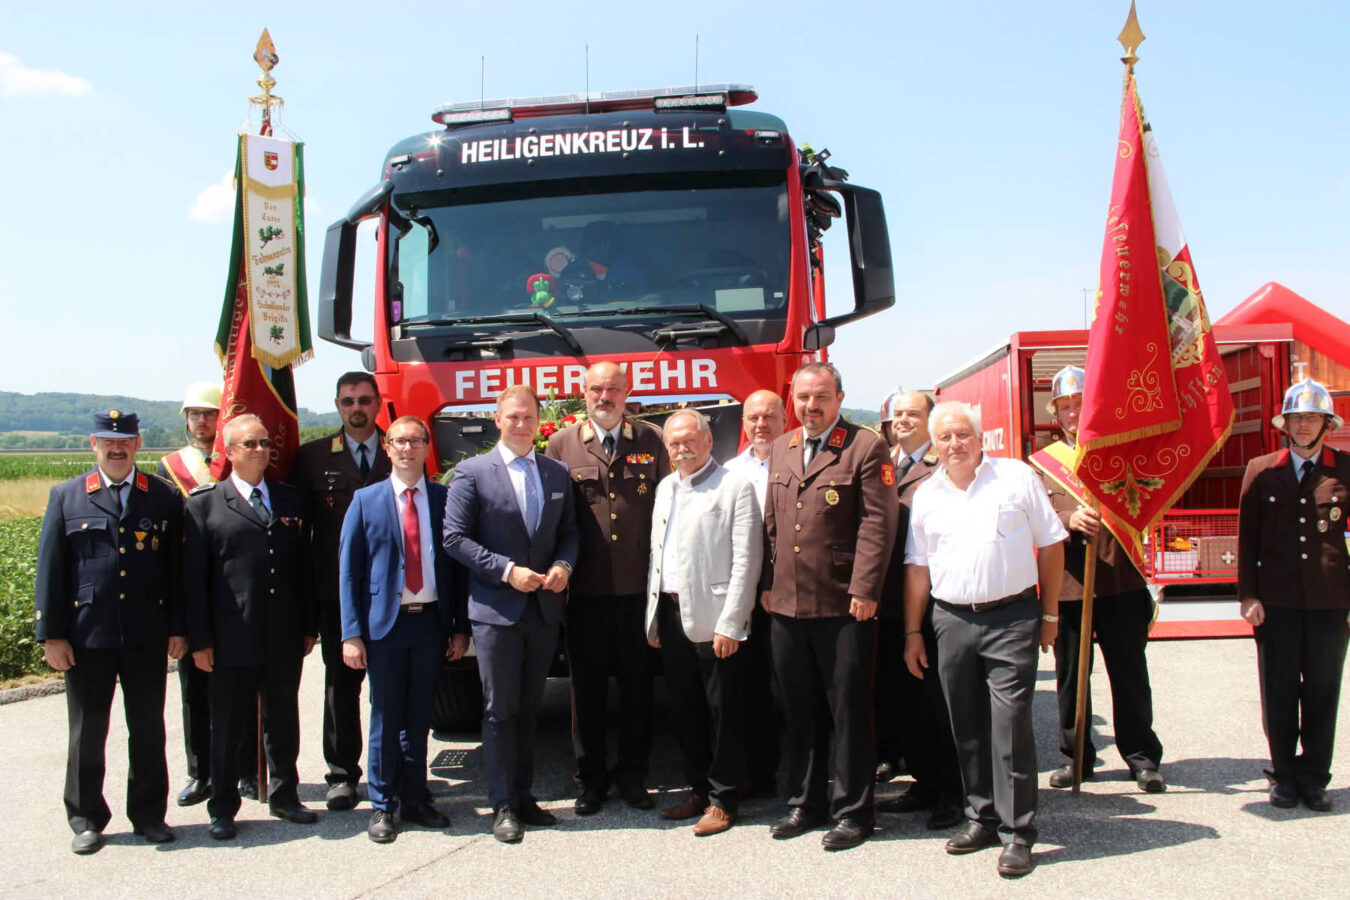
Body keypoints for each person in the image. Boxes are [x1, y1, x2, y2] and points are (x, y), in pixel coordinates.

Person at [904, 401, 1065, 878]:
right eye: (946, 438)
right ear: (935, 447)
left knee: (1011, 726)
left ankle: (1019, 834)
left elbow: (1052, 543)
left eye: (963, 435)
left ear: (980, 438)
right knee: (967, 726)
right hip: (951, 620)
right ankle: (982, 818)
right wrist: (913, 630)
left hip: (1011, 618)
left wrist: (1051, 614)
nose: (955, 444)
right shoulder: (927, 495)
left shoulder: (1016, 478)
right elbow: (917, 569)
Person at [762, 362, 898, 851]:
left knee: (848, 712)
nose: (810, 407)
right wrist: (766, 583)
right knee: (797, 710)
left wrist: (865, 589)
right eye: (802, 398)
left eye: (820, 397)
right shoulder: (783, 447)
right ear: (792, 400)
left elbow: (877, 525)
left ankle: (854, 811)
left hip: (844, 605)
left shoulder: (865, 446)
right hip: (787, 605)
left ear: (839, 398)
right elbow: (773, 525)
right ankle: (805, 802)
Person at [35, 410, 185, 855]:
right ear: (93, 444)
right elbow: (51, 570)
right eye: (107, 441)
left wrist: (178, 628)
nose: (116, 448)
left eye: (125, 441)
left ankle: (149, 816)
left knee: (147, 729)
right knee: (87, 731)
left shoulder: (161, 497)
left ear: (138, 444)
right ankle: (86, 818)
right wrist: (52, 635)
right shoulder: (67, 496)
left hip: (146, 634)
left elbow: (175, 572)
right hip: (86, 636)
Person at [444, 385, 579, 843]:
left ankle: (523, 798)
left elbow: (570, 533)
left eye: (528, 417)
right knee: (499, 711)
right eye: (512, 417)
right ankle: (502, 805)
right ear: (496, 420)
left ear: (539, 422)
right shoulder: (471, 472)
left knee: (528, 710)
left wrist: (563, 564)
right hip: (495, 611)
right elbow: (455, 539)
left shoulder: (556, 473)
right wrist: (506, 571)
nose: (521, 424)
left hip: (542, 611)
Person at [184, 414, 318, 840]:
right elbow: (195, 581)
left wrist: (308, 626)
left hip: (282, 634)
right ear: (229, 452)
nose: (260, 450)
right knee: (228, 725)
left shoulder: (290, 500)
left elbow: (303, 570)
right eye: (249, 444)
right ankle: (223, 805)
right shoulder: (205, 503)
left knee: (283, 719)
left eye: (264, 443)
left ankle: (284, 795)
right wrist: (200, 640)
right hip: (229, 639)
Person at [1032, 366, 1165, 793]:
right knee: (1072, 679)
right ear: (1056, 413)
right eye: (1065, 406)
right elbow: (1035, 516)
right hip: (1070, 586)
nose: (1073, 412)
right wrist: (1069, 517)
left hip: (1120, 582)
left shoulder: (1123, 452)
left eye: (1079, 403)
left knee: (1129, 676)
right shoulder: (1043, 465)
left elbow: (1147, 496)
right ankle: (1077, 758)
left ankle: (1142, 757)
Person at [339, 416, 470, 843]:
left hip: (430, 623)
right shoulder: (365, 501)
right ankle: (382, 804)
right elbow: (349, 573)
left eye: (415, 441)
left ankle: (415, 797)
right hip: (384, 628)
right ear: (387, 448)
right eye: (399, 441)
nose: (407, 449)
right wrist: (351, 633)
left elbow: (456, 569)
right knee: (385, 714)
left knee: (419, 716)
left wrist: (459, 627)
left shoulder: (443, 498)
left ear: (427, 446)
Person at [545, 361, 668, 814]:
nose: (604, 397)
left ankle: (633, 778)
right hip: (587, 592)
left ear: (627, 391)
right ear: (583, 391)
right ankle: (591, 780)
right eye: (596, 389)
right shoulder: (561, 444)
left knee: (638, 689)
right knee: (588, 690)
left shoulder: (652, 441)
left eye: (613, 389)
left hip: (639, 589)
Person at [645, 409, 762, 836]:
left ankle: (724, 799)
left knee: (723, 711)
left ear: (709, 442)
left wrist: (733, 623)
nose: (681, 449)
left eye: (689, 441)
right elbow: (658, 556)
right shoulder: (664, 487)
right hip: (674, 615)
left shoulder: (734, 486)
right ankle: (697, 789)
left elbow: (747, 560)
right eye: (674, 443)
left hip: (717, 618)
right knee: (685, 709)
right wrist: (654, 618)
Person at [1238, 378, 1350, 812]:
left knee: (1323, 691)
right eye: (1297, 418)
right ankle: (1283, 775)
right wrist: (1248, 596)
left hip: (1330, 601)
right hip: (1277, 601)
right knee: (1279, 692)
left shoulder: (1344, 469)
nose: (1304, 426)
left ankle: (1314, 777)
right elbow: (1248, 539)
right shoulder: (1262, 469)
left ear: (1327, 424)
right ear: (1285, 424)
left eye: (1312, 418)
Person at [291, 372, 391, 811]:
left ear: (378, 403)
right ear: (337, 404)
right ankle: (342, 775)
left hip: (394, 594)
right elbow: (301, 539)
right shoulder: (312, 458)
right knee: (341, 688)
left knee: (391, 689)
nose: (357, 408)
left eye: (365, 400)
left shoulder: (401, 449)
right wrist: (307, 610)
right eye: (348, 400)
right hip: (338, 596)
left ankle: (396, 772)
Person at [157, 382, 257, 807]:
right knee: (195, 690)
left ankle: (248, 770)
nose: (201, 421)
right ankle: (201, 773)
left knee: (245, 691)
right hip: (191, 586)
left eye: (209, 414)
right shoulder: (170, 468)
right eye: (194, 414)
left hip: (236, 593)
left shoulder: (236, 462)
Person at [874, 389, 963, 829]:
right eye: (897, 414)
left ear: (929, 420)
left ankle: (952, 793)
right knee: (904, 704)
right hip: (888, 603)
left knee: (937, 706)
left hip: (930, 604)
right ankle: (924, 783)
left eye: (913, 413)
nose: (903, 420)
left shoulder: (943, 467)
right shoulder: (882, 462)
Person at [722, 389, 786, 796]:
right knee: (746, 688)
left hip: (786, 594)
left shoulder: (799, 461)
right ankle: (756, 774)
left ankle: (791, 774)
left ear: (785, 419)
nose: (760, 425)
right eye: (753, 418)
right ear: (743, 423)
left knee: (787, 690)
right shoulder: (729, 471)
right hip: (741, 596)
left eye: (769, 417)